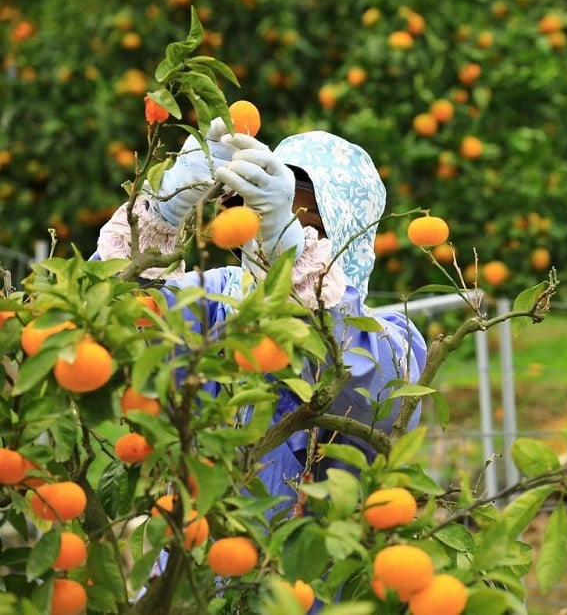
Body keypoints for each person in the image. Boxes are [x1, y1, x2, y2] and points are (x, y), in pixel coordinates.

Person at [95, 118, 427, 511]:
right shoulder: (216, 301)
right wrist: (163, 214)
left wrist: (296, 264)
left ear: (349, 237)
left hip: (321, 550)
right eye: (270, 218)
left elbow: (373, 394)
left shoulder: (387, 339)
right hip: (196, 545)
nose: (273, 239)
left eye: (309, 229)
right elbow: (110, 325)